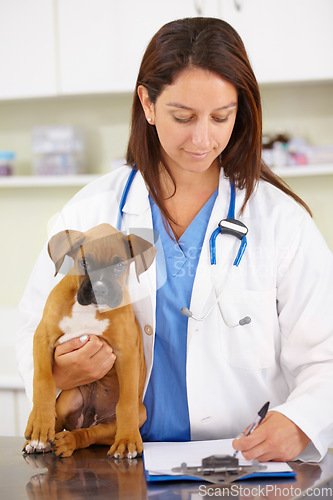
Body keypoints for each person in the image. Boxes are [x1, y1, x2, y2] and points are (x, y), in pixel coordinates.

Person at [16, 17, 333, 463]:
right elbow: (34, 328)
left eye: (222, 116)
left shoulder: (281, 220)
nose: (203, 138)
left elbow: (326, 353)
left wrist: (301, 419)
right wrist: (57, 370)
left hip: (241, 465)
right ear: (146, 103)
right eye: (182, 117)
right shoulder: (90, 213)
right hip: (113, 463)